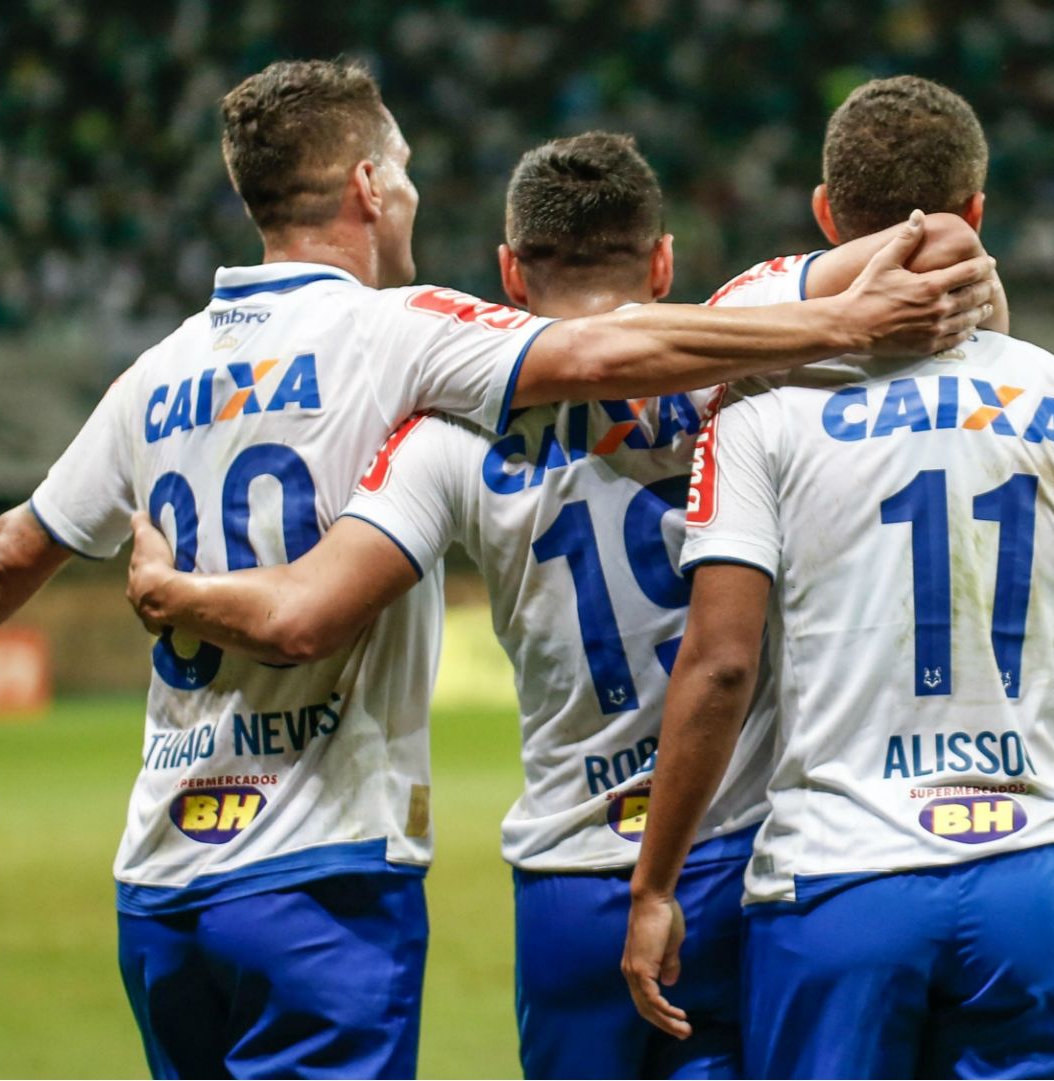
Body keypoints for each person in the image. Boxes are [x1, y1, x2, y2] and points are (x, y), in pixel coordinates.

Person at [0, 60, 993, 1080]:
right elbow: (610, 346)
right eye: (408, 167)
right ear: (368, 187)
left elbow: (6, 558)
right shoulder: (426, 339)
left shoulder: (174, 381)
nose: (414, 188)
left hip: (191, 872)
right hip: (413, 867)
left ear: (512, 268)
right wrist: (904, 293)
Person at [119, 129, 996, 1078]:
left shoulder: (448, 436)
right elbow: (943, 237)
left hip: (572, 875)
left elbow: (302, 618)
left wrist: (178, 593)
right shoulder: (738, 347)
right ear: (662, 261)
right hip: (747, 851)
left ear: (509, 275)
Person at [620, 76, 1054, 1079]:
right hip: (1028, 865)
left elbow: (718, 665)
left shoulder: (761, 409)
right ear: (977, 215)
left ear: (826, 215)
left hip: (842, 870)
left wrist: (655, 883)